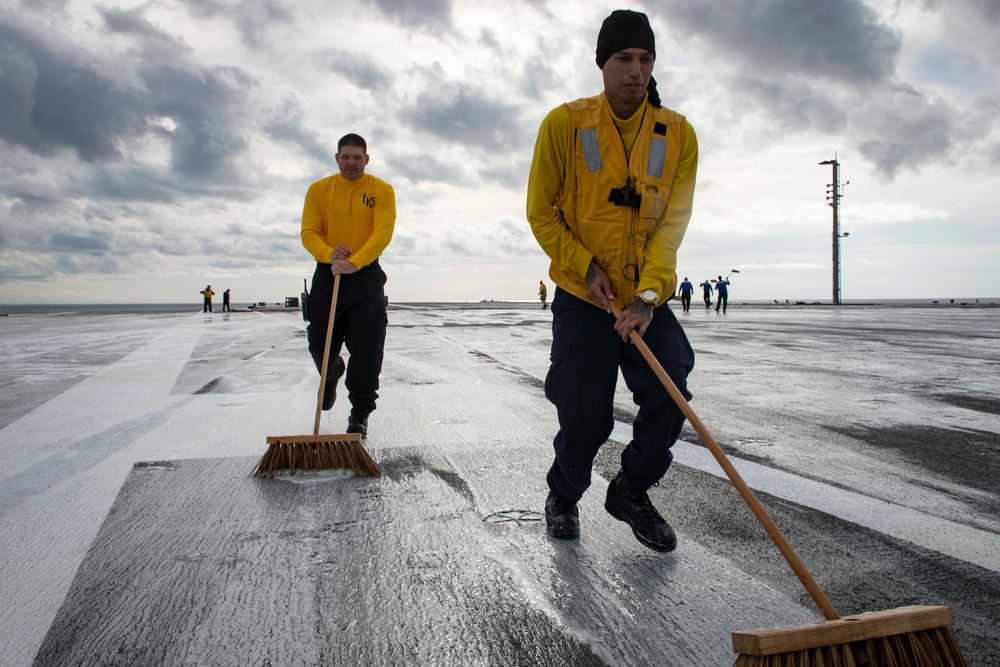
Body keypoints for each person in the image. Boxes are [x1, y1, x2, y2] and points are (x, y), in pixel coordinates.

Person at [526, 9, 698, 552]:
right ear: (602, 63)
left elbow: (671, 226)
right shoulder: (566, 124)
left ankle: (631, 489)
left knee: (672, 387)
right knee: (584, 414)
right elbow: (541, 212)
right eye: (624, 58)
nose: (635, 70)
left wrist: (649, 298)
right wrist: (585, 267)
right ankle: (564, 494)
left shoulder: (679, 134)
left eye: (645, 59)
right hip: (584, 296)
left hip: (644, 296)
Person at [301, 133, 396, 438]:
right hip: (329, 275)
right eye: (346, 157)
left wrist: (357, 260)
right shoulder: (319, 190)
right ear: (337, 158)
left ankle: (359, 413)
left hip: (366, 276)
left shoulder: (381, 190)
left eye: (358, 157)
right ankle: (330, 374)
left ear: (366, 159)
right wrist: (330, 255)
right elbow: (309, 232)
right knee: (319, 343)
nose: (352, 163)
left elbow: (383, 232)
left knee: (368, 349)